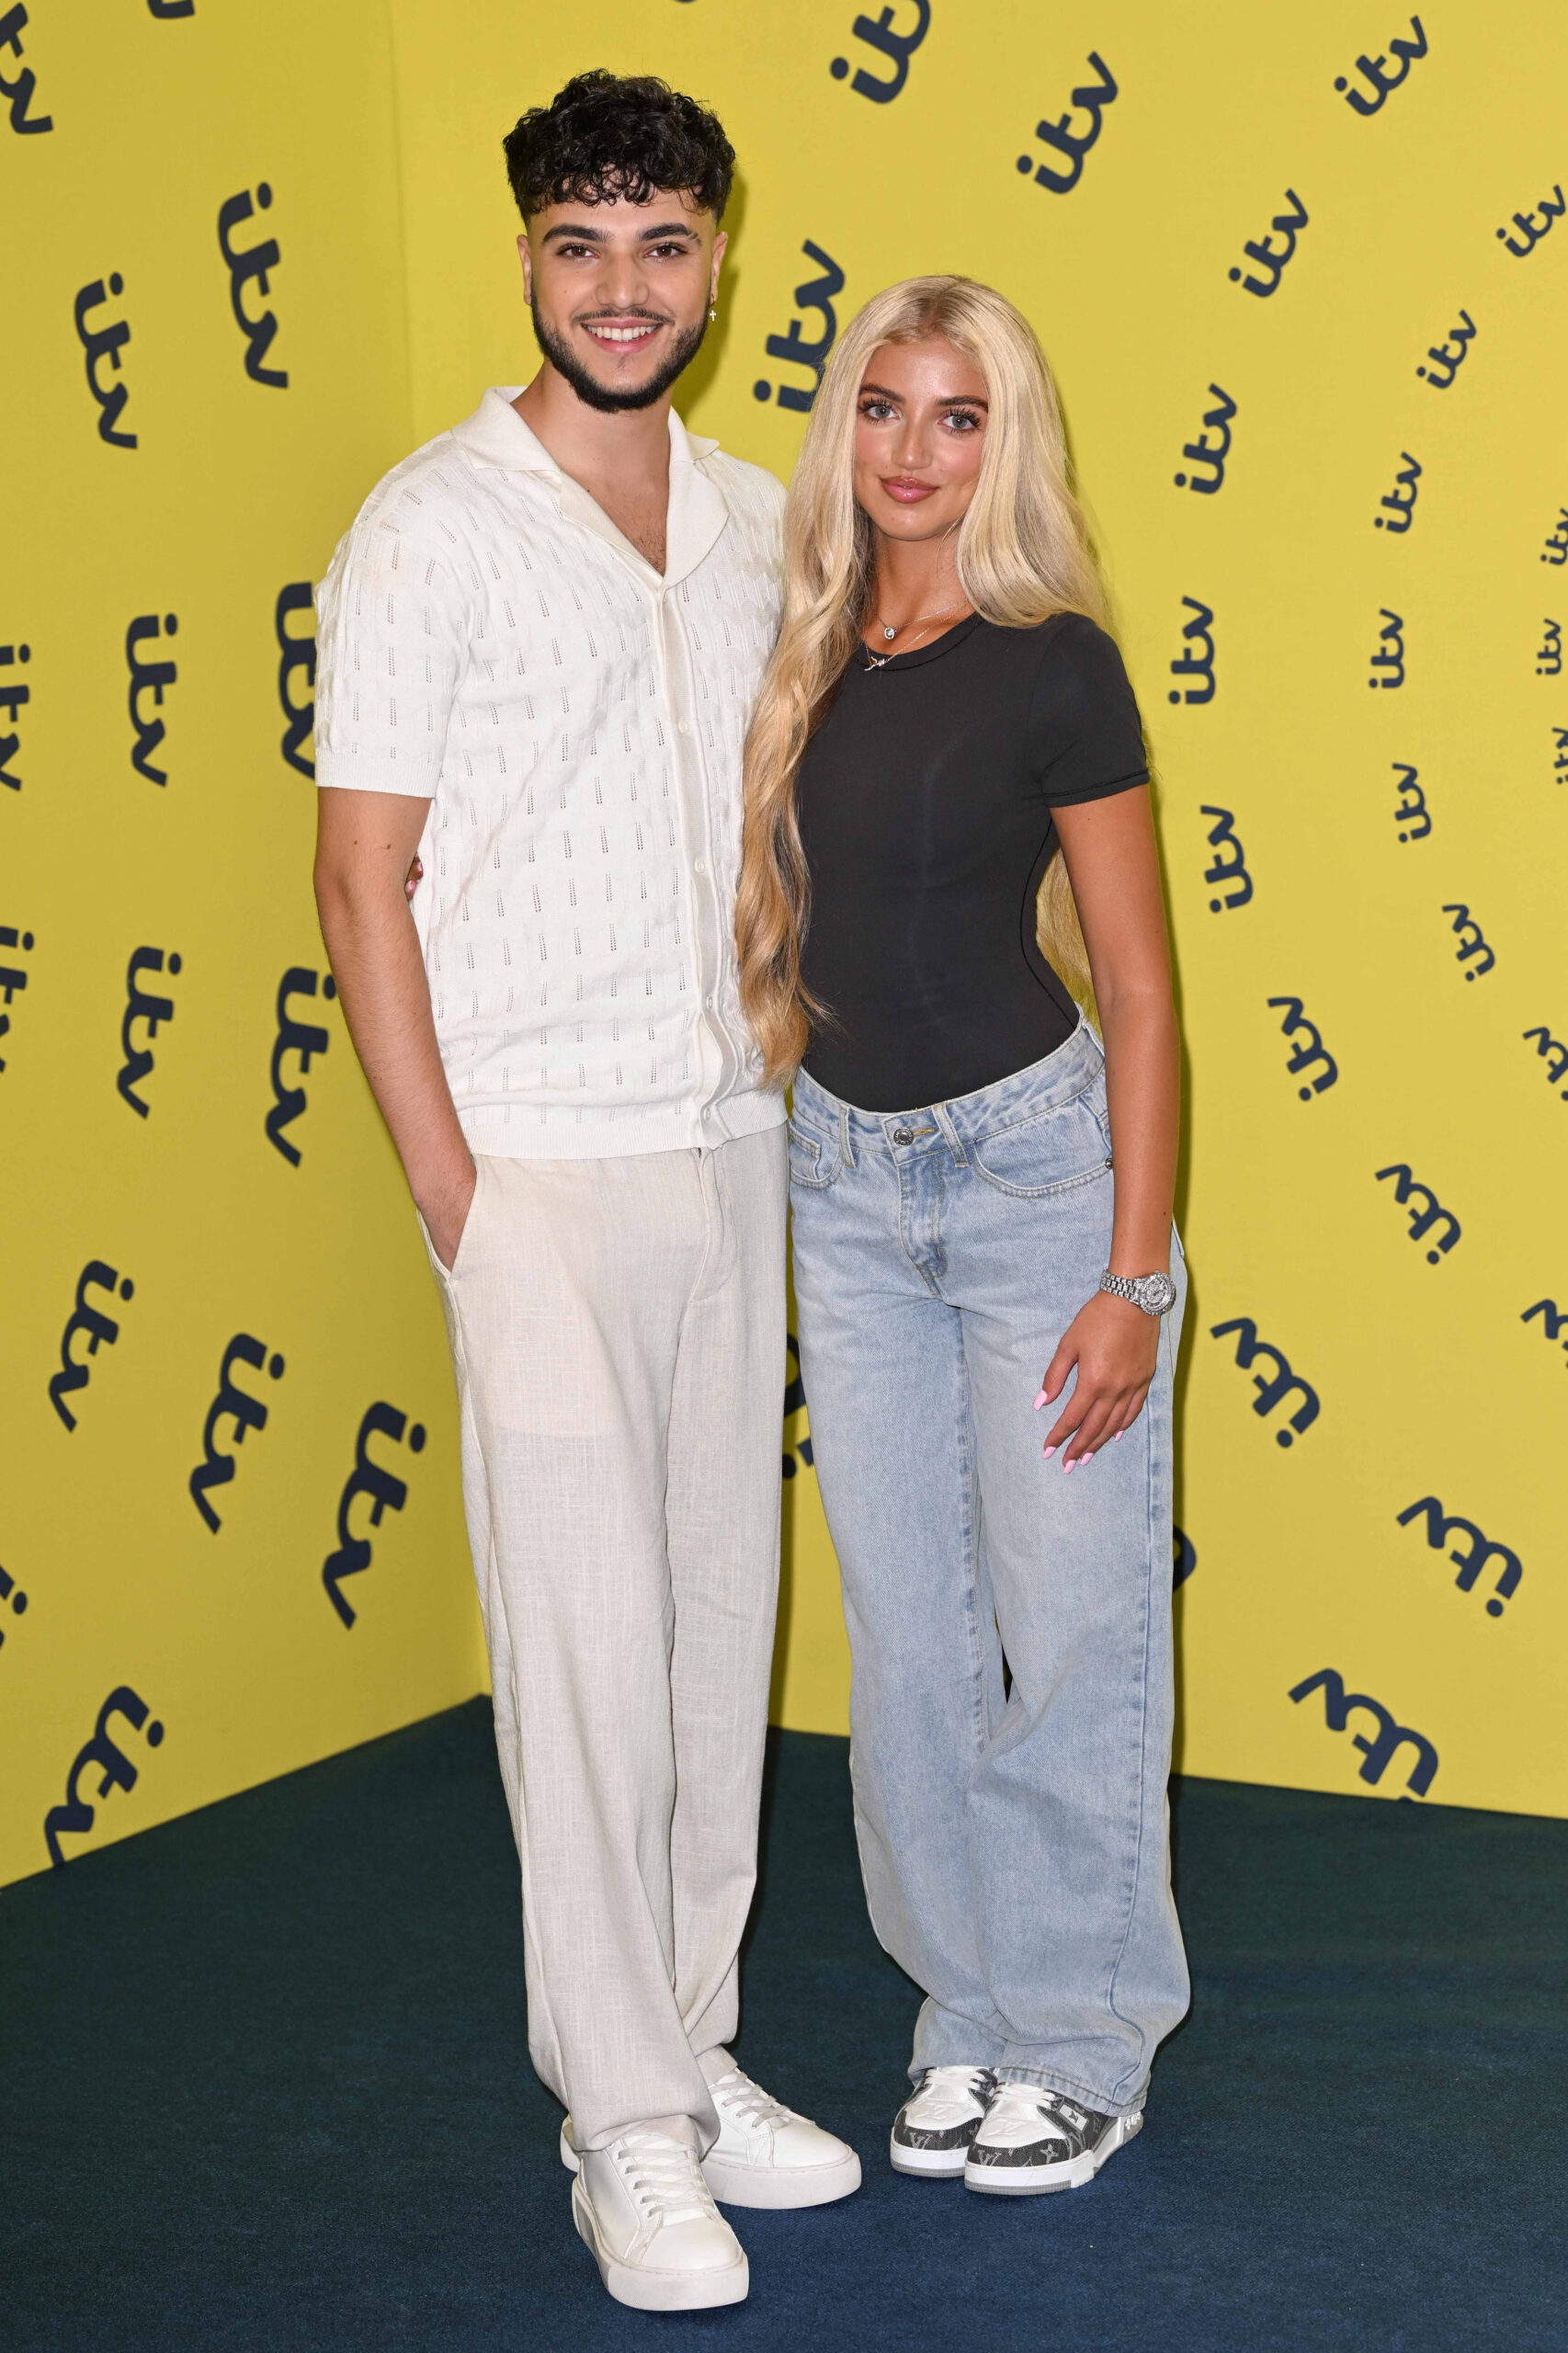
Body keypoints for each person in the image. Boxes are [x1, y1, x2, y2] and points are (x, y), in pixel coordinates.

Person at [312, 71, 858, 2315]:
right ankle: (619, 2124)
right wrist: (456, 1188)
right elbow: (359, 873)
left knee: (713, 1640)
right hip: (535, 1165)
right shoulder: (428, 524)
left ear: (717, 259)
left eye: (660, 244)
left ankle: (701, 2052)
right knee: (581, 1668)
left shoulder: (757, 519)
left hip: (740, 1149)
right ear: (528, 260)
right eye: (578, 244)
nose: (620, 285)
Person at [735, 277, 1187, 2199]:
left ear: (1010, 444)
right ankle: (970, 2011)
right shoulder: (800, 649)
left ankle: (1083, 2032)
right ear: (844, 431)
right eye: (886, 409)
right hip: (838, 1187)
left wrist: (1130, 1271)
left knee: (1074, 1624)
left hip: (1029, 1186)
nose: (915, 450)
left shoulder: (1056, 660)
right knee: (910, 1643)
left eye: (961, 415)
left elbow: (1147, 996)